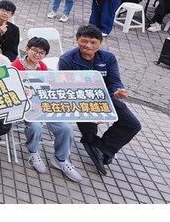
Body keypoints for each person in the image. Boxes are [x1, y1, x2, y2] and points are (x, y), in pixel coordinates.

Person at [60, 25, 141, 176]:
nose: (88, 46)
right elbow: (67, 89)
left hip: (105, 98)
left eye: (93, 42)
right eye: (84, 41)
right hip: (80, 102)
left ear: (100, 43)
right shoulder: (67, 59)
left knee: (132, 124)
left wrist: (118, 91)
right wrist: (92, 112)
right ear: (77, 40)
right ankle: (92, 142)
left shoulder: (108, 58)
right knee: (89, 129)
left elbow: (114, 81)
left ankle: (104, 148)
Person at [10, 37, 84, 181]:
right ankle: (33, 152)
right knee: (36, 127)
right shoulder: (16, 65)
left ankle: (61, 159)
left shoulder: (43, 67)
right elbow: (10, 87)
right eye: (34, 51)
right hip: (24, 106)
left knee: (66, 128)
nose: (37, 55)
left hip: (43, 105)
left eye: (41, 53)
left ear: (45, 55)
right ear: (27, 49)